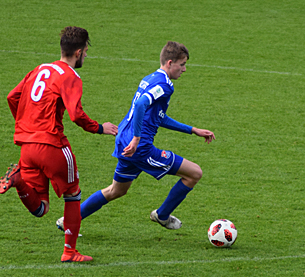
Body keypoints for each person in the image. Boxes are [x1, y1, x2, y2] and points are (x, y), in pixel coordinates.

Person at [56, 41, 215, 231]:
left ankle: (69, 220)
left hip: (124, 141)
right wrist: (137, 139)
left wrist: (192, 129)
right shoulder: (165, 85)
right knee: (194, 173)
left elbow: (158, 117)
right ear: (170, 62)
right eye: (182, 64)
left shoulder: (150, 78)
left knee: (116, 190)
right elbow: (140, 105)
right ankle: (162, 215)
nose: (184, 69)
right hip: (139, 148)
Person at [0, 26, 118, 263]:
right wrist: (99, 127)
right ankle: (69, 252)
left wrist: (25, 124)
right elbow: (76, 115)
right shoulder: (70, 76)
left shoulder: (39, 69)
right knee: (73, 195)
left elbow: (12, 97)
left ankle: (19, 181)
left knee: (41, 208)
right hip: (52, 145)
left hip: (27, 147)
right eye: (86, 54)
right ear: (79, 52)